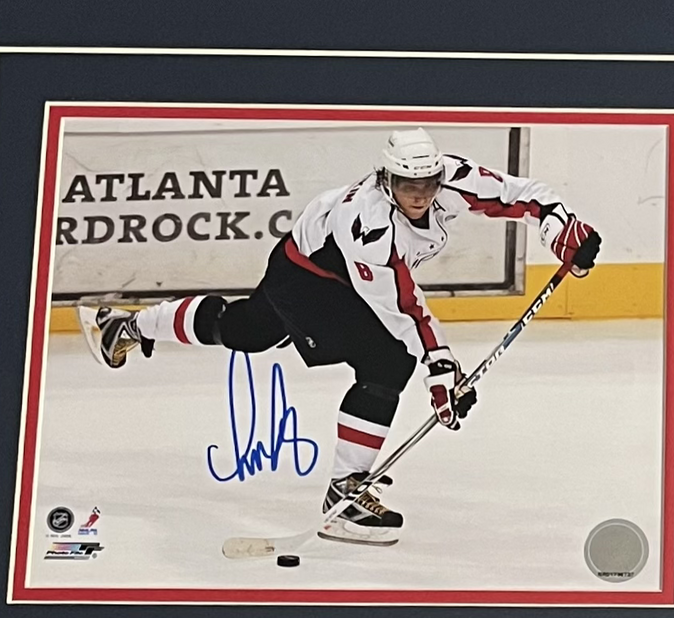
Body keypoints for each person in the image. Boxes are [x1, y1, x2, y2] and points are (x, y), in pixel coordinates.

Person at [78, 129, 602, 546]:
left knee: (245, 330)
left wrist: (562, 230)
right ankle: (344, 496)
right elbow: (402, 310)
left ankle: (126, 326)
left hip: (318, 265)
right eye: (408, 184)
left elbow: (523, 196)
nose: (420, 195)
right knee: (387, 362)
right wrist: (440, 369)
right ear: (386, 178)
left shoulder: (451, 177)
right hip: (310, 279)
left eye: (428, 183)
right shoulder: (368, 225)